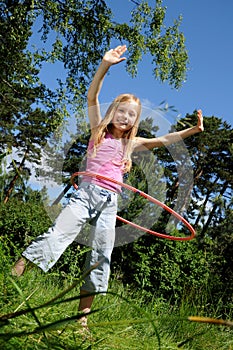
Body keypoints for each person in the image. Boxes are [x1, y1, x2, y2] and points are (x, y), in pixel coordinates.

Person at [12, 45, 204, 327]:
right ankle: (13, 276)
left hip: (109, 203)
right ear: (114, 110)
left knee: (101, 257)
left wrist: (193, 131)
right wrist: (104, 66)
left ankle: (82, 321)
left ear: (135, 121)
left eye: (132, 115)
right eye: (122, 111)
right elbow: (93, 95)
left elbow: (164, 140)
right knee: (58, 235)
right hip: (85, 195)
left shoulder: (131, 144)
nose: (125, 117)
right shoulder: (97, 133)